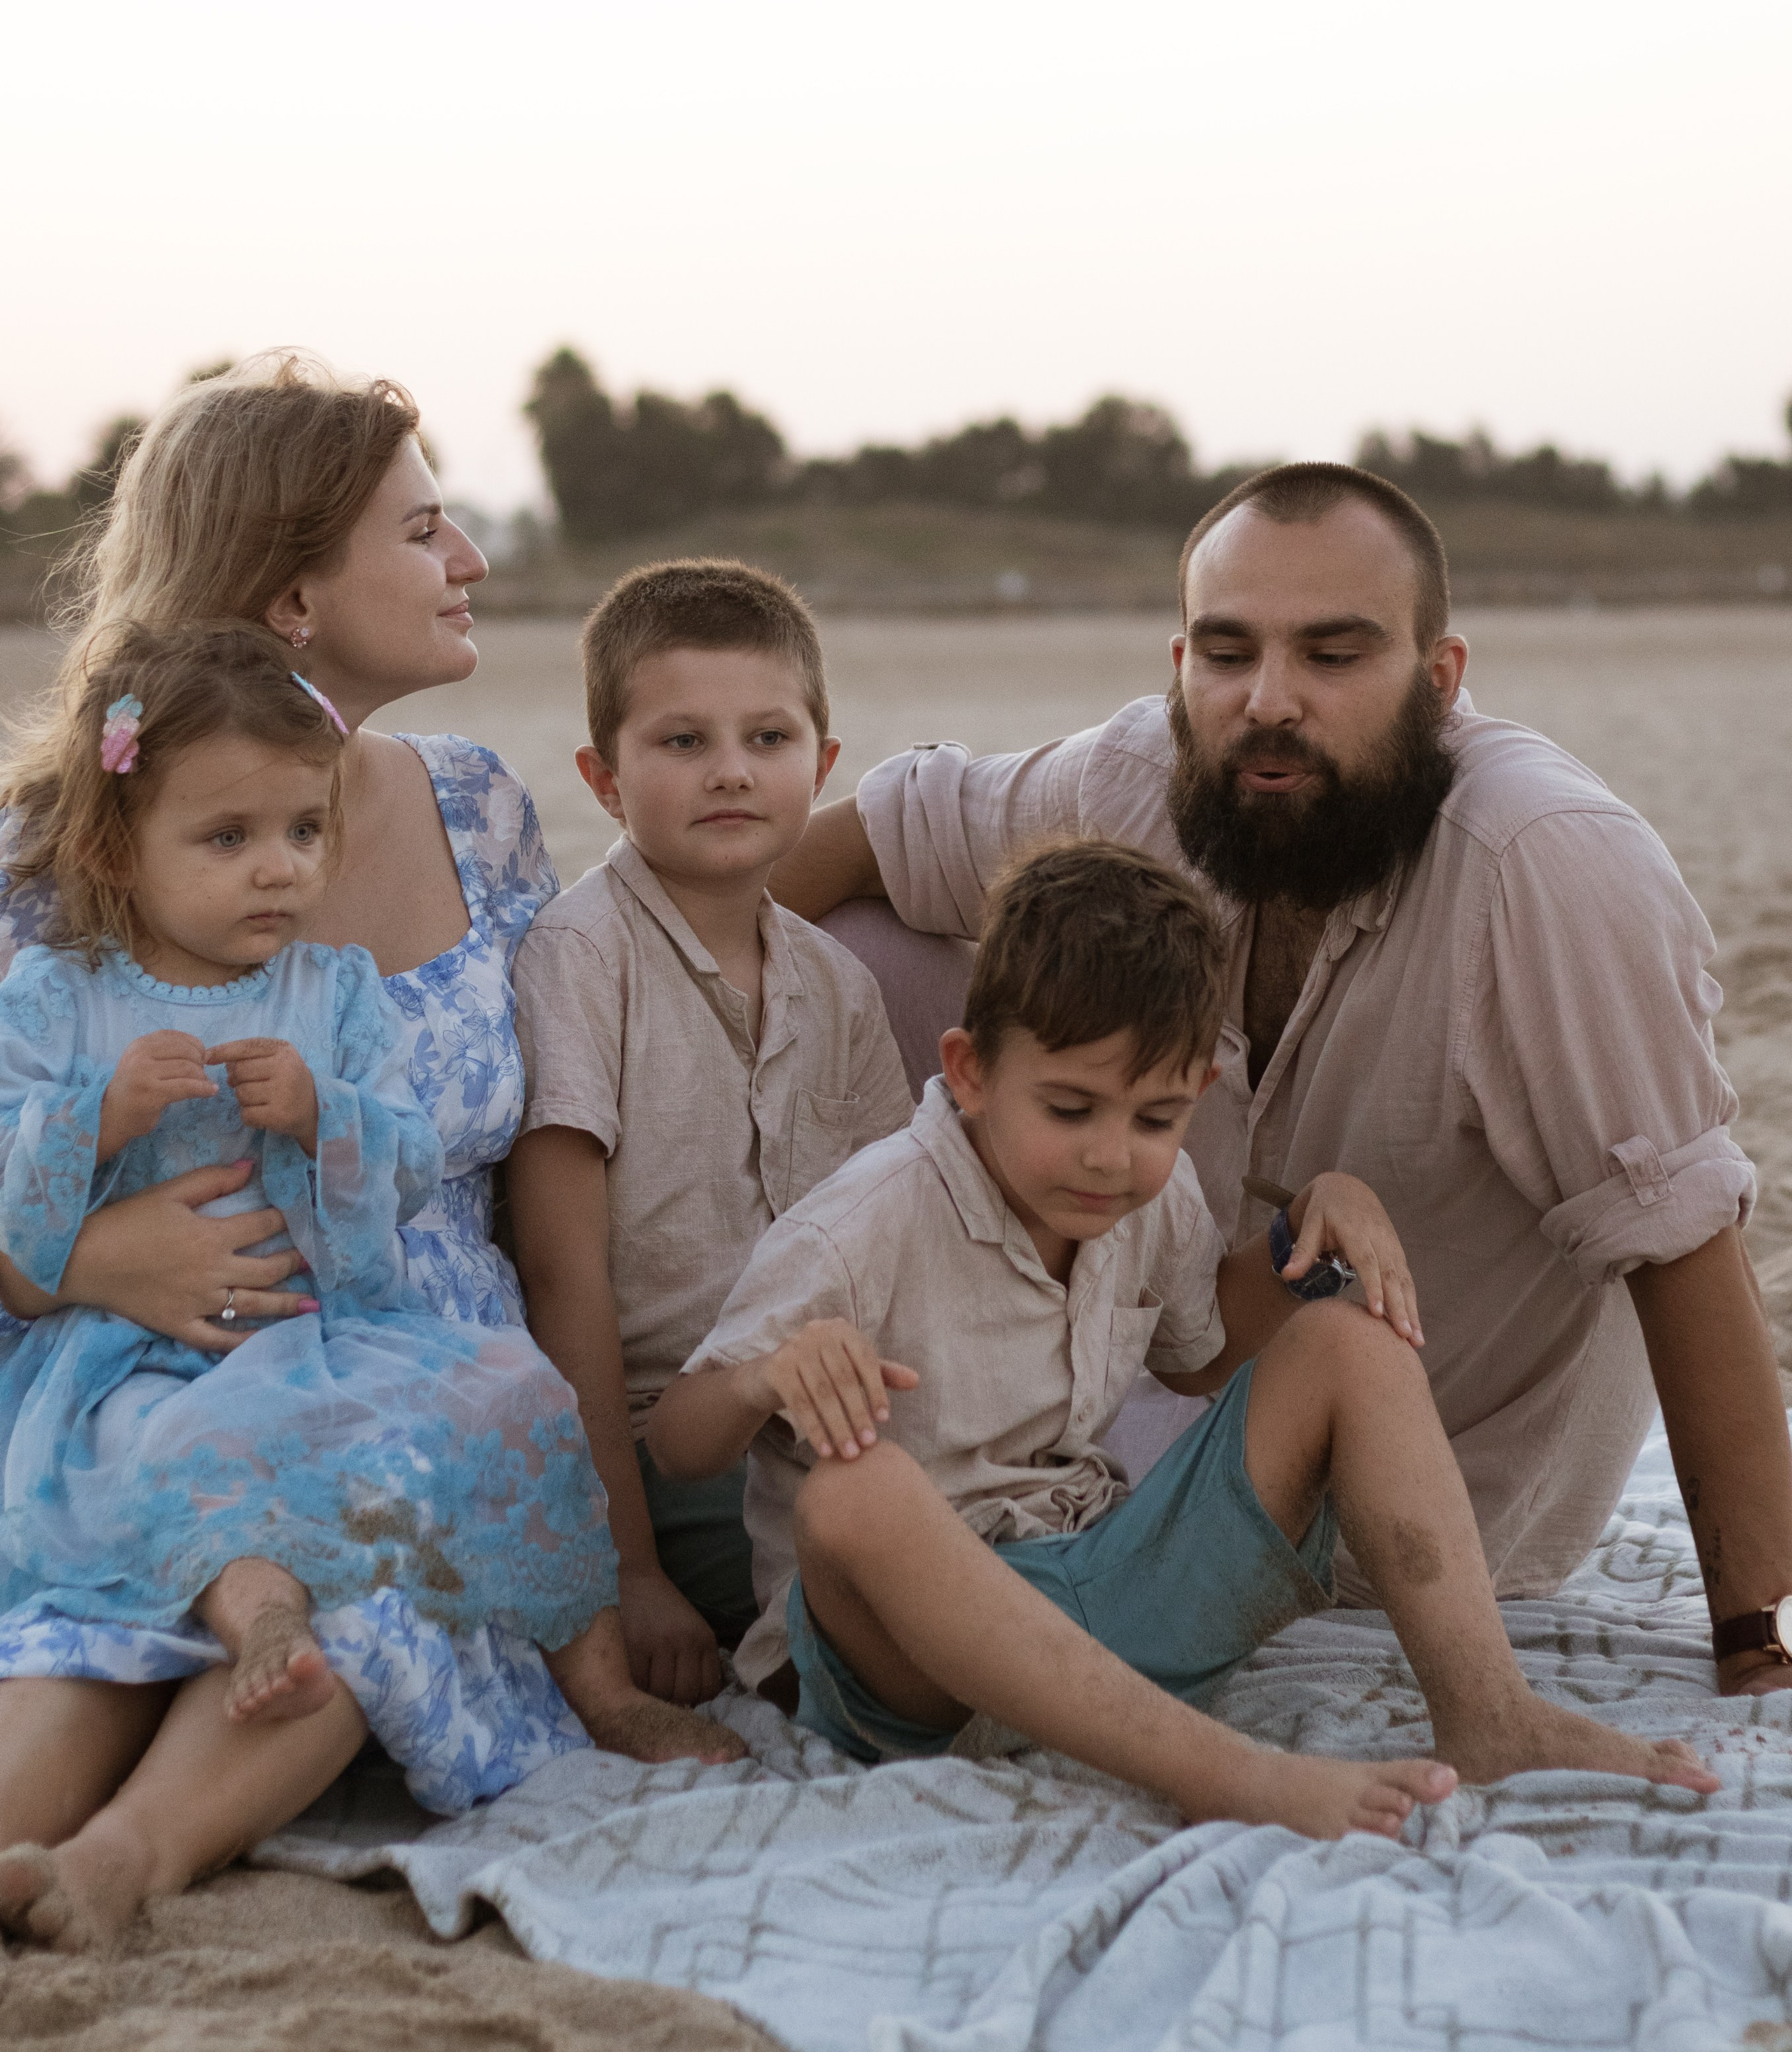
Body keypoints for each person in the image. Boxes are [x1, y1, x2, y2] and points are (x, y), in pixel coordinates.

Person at [770, 463, 1792, 1696]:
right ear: (1181, 661)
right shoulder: (1148, 771)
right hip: (1163, 1374)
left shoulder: (1545, 865)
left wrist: (1754, 1634)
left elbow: (1686, 1246)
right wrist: (650, 974)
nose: (1269, 702)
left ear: (1440, 678)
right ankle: (814, 1367)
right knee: (864, 956)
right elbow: (888, 831)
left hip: (1425, 1487)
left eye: (1334, 656)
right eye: (1228, 652)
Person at [0, 356, 738, 1955]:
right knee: (91, 1633)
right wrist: (96, 1254)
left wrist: (622, 1574)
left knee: (351, 1612)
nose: (468, 559)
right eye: (421, 530)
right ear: (291, 596)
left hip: (419, 1411)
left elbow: (558, 1232)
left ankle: (118, 1870)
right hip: (134, 1383)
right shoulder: (66, 844)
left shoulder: (479, 811)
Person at [650, 841, 1718, 1835]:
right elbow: (680, 1443)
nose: (1110, 1157)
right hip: (905, 1672)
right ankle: (1235, 1777)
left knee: (1349, 1341)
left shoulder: (1146, 1204)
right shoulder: (865, 1221)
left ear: (1194, 1094)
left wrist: (1318, 1220)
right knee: (852, 1491)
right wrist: (763, 1381)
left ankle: (1492, 1715)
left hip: (1093, 1589)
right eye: (1069, 1109)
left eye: (1154, 1120)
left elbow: (1204, 1352)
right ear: (970, 1070)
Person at [507, 561, 912, 1707]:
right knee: (909, 1581)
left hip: (828, 1411)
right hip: (661, 1455)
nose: (732, 770)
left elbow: (897, 1227)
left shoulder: (836, 986)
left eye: (769, 738)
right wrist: (625, 1569)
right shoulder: (582, 960)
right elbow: (560, 1271)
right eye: (682, 742)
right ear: (602, 776)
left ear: (824, 766)